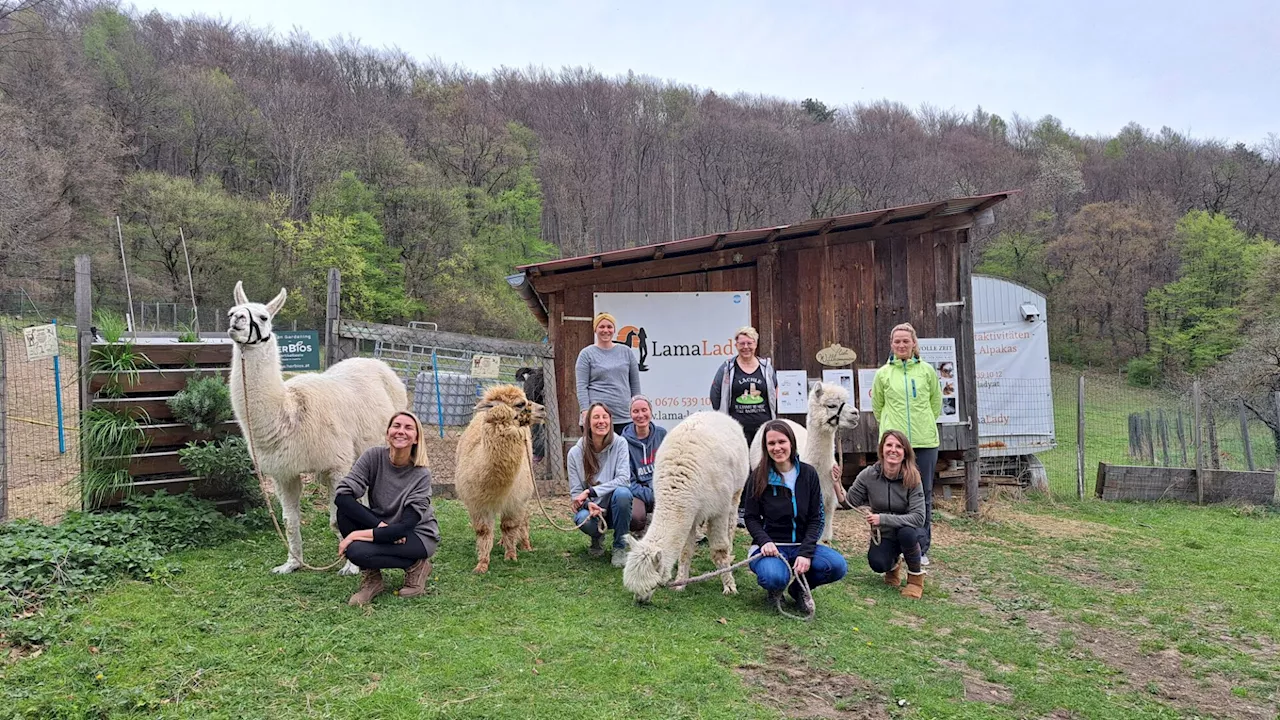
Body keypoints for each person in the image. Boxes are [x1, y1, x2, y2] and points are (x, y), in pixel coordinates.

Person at [334, 411, 441, 606]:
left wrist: (353, 536)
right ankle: (373, 580)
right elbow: (342, 497)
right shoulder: (373, 456)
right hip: (386, 524)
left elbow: (405, 526)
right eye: (396, 426)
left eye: (408, 428)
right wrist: (379, 526)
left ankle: (417, 565)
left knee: (356, 551)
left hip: (416, 534)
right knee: (344, 512)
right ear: (388, 432)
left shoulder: (421, 474)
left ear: (416, 438)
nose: (401, 431)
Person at [743, 420, 847, 614]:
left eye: (781, 442)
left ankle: (799, 589)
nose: (777, 448)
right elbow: (751, 517)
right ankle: (775, 589)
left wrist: (806, 552)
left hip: (801, 543)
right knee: (773, 576)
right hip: (771, 548)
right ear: (765, 448)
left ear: (791, 442)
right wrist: (764, 541)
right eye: (771, 444)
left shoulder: (808, 474)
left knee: (836, 566)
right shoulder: (759, 477)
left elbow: (817, 517)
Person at [870, 322, 941, 566]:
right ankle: (892, 546)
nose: (901, 345)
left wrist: (924, 423)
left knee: (923, 495)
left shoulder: (927, 372)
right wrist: (893, 433)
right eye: (897, 341)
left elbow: (936, 404)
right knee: (893, 494)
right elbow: (878, 407)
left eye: (906, 341)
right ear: (891, 345)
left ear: (914, 344)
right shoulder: (883, 374)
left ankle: (919, 548)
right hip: (894, 445)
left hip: (924, 442)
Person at [833, 430, 927, 599]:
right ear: (881, 449)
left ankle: (915, 579)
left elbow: (919, 517)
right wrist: (836, 483)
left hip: (909, 531)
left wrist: (882, 518)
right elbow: (849, 502)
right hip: (884, 533)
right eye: (889, 445)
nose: (893, 450)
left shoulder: (913, 477)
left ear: (905, 452)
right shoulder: (868, 475)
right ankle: (893, 566)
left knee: (907, 533)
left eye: (899, 446)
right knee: (878, 563)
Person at [710, 326, 779, 527]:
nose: (746, 347)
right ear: (736, 344)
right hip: (735, 429)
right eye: (742, 343)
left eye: (750, 343)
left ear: (756, 344)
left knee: (763, 465)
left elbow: (773, 393)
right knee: (740, 468)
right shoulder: (727, 368)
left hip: (763, 427)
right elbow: (715, 394)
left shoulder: (766, 368)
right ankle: (740, 509)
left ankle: (764, 507)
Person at [568, 403, 635, 567]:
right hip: (592, 510)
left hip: (614, 505)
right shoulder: (575, 453)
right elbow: (576, 494)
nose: (601, 421)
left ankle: (619, 547)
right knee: (582, 519)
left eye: (605, 417)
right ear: (587, 423)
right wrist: (587, 503)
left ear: (611, 421)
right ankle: (596, 537)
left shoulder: (620, 444)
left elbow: (624, 479)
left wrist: (591, 492)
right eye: (596, 417)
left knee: (623, 494)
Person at [575, 312, 641, 436]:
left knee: (624, 454)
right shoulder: (586, 354)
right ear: (595, 329)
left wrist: (637, 409)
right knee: (597, 454)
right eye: (602, 327)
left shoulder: (626, 352)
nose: (606, 330)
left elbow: (635, 386)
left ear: (614, 329)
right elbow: (581, 386)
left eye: (609, 327)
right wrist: (585, 411)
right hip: (598, 418)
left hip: (624, 417)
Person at [622, 394, 667, 535]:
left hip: (661, 488)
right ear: (630, 414)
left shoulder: (662, 434)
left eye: (644, 410)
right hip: (638, 492)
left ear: (651, 411)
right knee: (636, 518)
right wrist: (652, 495)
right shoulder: (623, 442)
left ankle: (690, 531)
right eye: (635, 411)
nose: (640, 415)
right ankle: (642, 527)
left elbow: (669, 469)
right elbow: (628, 481)